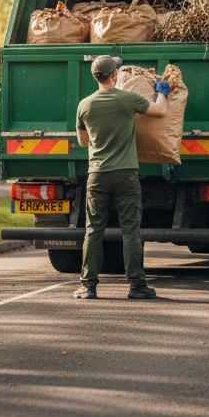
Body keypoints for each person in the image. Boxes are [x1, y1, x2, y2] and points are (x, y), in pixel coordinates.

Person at [74, 55, 169, 300]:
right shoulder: (128, 99)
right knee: (130, 231)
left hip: (97, 175)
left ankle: (88, 287)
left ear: (96, 76)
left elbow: (83, 142)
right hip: (126, 175)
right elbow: (159, 111)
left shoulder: (84, 105)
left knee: (93, 230)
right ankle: (137, 287)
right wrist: (162, 92)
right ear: (114, 75)